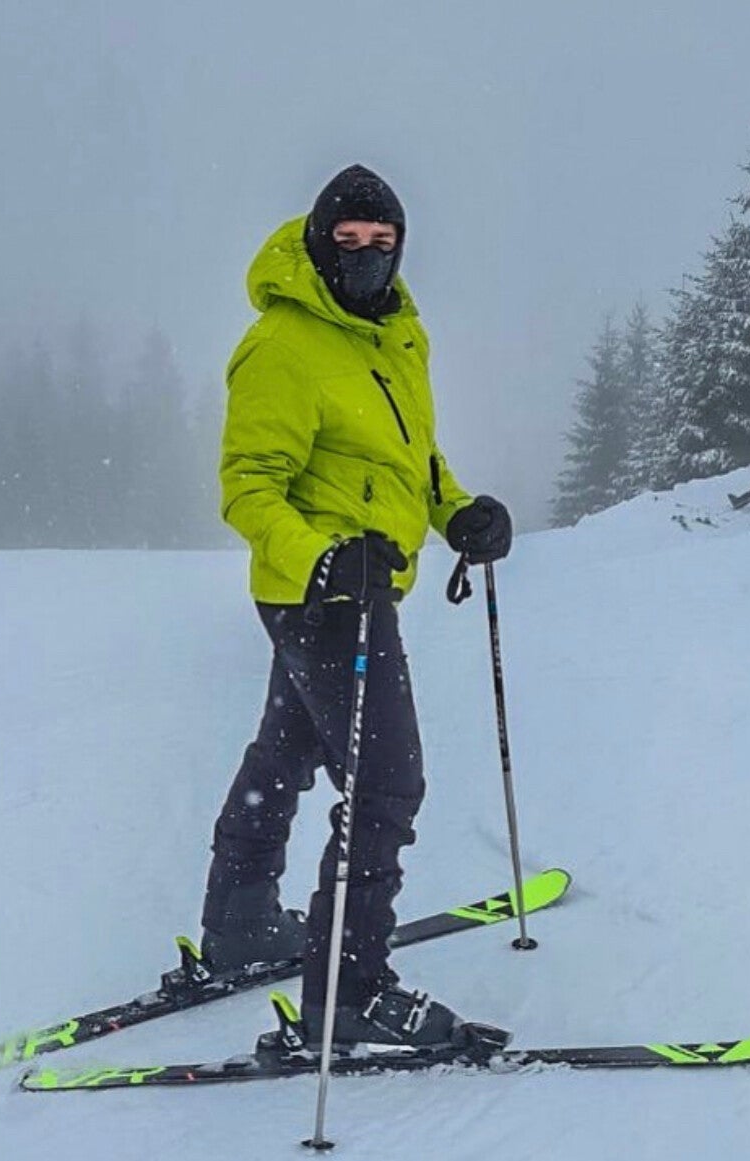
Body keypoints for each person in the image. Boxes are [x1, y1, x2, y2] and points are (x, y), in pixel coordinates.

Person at [198, 164, 513, 1049]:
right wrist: (325, 557)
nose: (367, 256)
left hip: (362, 584)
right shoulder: (283, 343)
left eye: (383, 242)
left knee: (287, 750)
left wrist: (459, 512)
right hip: (323, 594)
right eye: (348, 242)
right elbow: (248, 488)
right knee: (385, 782)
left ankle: (241, 918)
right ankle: (349, 988)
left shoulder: (395, 334)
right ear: (318, 244)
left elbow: (409, 459)